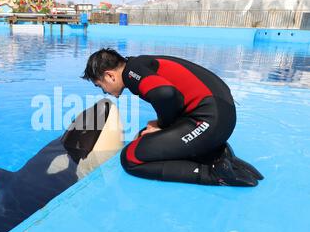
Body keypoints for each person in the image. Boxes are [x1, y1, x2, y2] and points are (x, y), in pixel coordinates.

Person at [81, 48, 264, 186]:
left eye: (100, 85)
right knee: (145, 134)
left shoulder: (131, 73)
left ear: (110, 75)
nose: (105, 91)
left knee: (130, 158)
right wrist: (163, 125)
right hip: (222, 119)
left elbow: (165, 93)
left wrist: (164, 125)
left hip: (209, 121)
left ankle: (214, 174)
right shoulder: (140, 64)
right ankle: (220, 157)